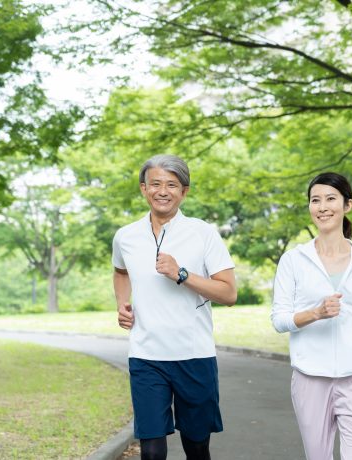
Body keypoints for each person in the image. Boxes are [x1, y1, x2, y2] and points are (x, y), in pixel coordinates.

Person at [112, 154, 237, 460]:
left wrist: (182, 274)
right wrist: (122, 304)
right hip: (146, 356)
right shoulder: (125, 236)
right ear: (144, 189)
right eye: (155, 184)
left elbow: (229, 293)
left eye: (172, 184)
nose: (163, 191)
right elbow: (120, 271)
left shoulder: (203, 233)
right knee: (151, 451)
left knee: (196, 447)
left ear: (184, 192)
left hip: (194, 354)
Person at [271, 172, 352, 460]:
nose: (322, 206)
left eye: (331, 199)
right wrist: (316, 313)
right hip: (309, 379)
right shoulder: (293, 260)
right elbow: (279, 319)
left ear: (347, 205)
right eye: (315, 200)